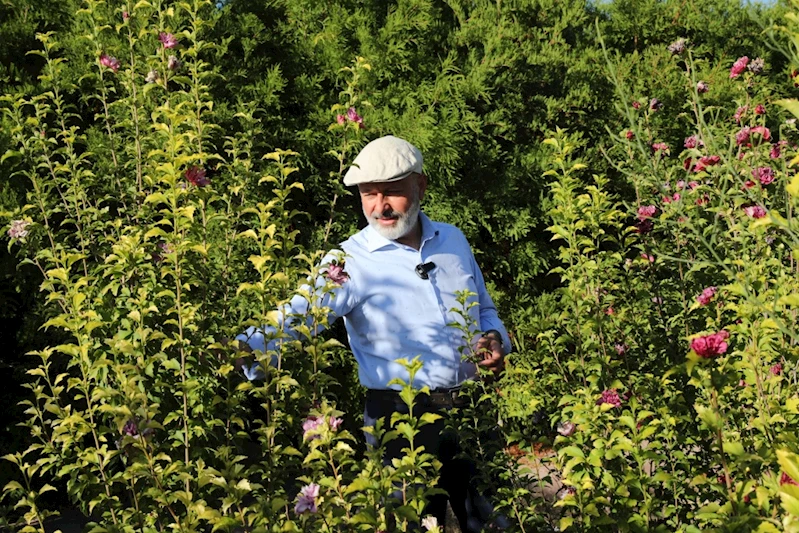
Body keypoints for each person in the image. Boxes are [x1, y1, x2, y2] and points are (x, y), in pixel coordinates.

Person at [236, 135, 510, 531]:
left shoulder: (453, 240)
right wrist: (245, 346)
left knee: (496, 522)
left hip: (471, 412)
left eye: (392, 192)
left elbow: (484, 309)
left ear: (420, 186)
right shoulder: (350, 260)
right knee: (411, 525)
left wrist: (495, 339)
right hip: (399, 421)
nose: (380, 206)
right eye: (369, 194)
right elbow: (300, 313)